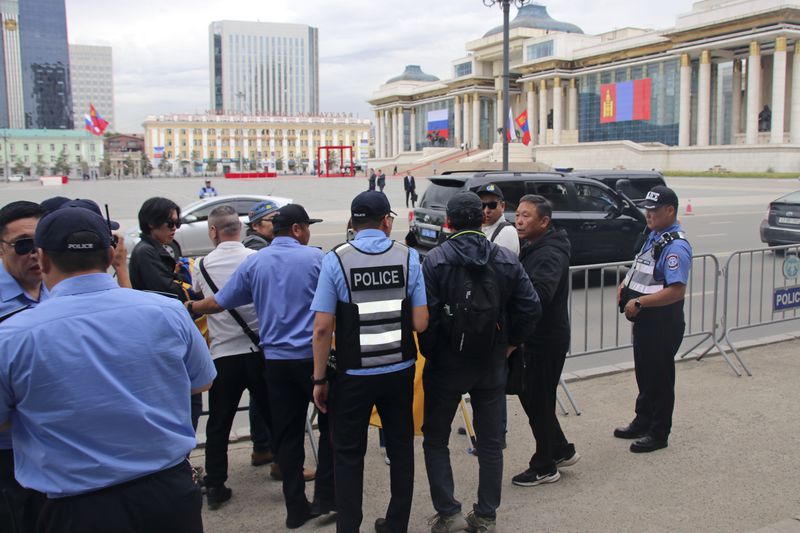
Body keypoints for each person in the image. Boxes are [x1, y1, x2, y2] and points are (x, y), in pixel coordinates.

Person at [0, 206, 216, 533]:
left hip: (76, 508)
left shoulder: (13, 337)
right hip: (168, 494)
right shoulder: (167, 312)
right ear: (112, 254)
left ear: (42, 259)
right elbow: (200, 382)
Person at [188, 204, 335, 529]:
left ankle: (296, 508)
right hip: (312, 361)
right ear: (297, 229)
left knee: (287, 434)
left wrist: (189, 306)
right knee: (330, 427)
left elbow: (218, 302)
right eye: (307, 226)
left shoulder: (256, 262)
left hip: (275, 363)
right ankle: (326, 496)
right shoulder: (316, 259)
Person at [419, 191, 541, 533]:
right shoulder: (503, 258)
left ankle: (449, 513)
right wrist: (511, 343)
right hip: (490, 360)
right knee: (489, 442)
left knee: (435, 439)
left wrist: (434, 353)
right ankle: (486, 515)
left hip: (446, 364)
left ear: (449, 221)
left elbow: (424, 317)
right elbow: (530, 307)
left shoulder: (436, 260)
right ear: (481, 217)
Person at [311, 191, 428, 533]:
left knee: (347, 453)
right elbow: (421, 323)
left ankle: (349, 526)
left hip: (352, 374)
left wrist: (319, 380)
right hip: (398, 370)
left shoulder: (337, 260)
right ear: (387, 221)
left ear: (352, 222)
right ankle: (396, 524)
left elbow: (321, 328)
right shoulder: (408, 258)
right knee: (401, 447)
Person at [190, 205, 273, 510]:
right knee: (273, 414)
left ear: (213, 231)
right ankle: (285, 467)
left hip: (224, 354)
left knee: (219, 423)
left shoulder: (202, 264)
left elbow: (200, 298)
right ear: (239, 230)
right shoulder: (257, 258)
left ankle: (215, 485)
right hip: (259, 350)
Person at [616, 186, 692, 453]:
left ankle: (659, 433)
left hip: (662, 323)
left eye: (654, 210)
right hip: (646, 322)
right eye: (647, 208)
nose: (648, 214)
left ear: (670, 210)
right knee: (645, 373)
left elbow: (676, 290)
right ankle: (643, 419)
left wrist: (640, 302)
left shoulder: (676, 246)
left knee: (659, 378)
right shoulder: (655, 235)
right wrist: (625, 285)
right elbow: (641, 265)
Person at [512, 195, 579, 487]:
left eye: (527, 216)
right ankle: (560, 449)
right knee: (535, 397)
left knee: (538, 400)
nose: (519, 220)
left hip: (545, 339)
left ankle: (544, 465)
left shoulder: (549, 253)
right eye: (518, 214)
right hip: (538, 336)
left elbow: (539, 296)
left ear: (544, 221)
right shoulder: (535, 245)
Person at [0, 201, 48, 533]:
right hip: (10, 456)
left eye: (41, 244)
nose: (34, 253)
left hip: (58, 451)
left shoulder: (60, 293)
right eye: (23, 244)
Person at [129, 197, 186, 301]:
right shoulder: (146, 252)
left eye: (177, 223)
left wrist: (173, 274)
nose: (174, 228)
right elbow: (166, 291)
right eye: (170, 223)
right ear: (151, 223)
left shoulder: (151, 248)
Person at [477, 183, 520, 256]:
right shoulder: (477, 228)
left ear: (502, 206)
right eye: (482, 205)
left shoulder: (507, 232)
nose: (486, 210)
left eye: (492, 205)